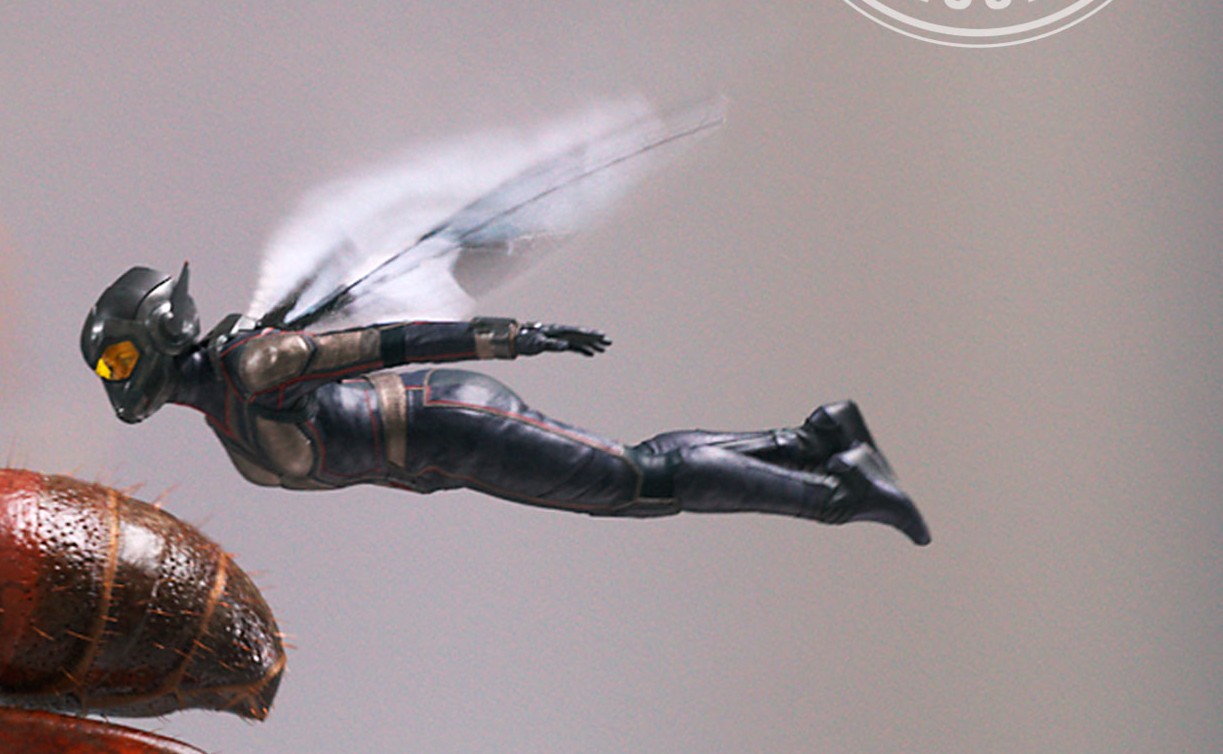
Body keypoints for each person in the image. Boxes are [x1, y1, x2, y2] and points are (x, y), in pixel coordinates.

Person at [81, 263, 929, 542]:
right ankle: (817, 439)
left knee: (638, 483)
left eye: (120, 357)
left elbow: (388, 344)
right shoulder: (234, 396)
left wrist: (514, 334)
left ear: (155, 334)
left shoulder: (253, 365)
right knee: (636, 473)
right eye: (109, 367)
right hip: (451, 448)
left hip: (458, 424)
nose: (121, 378)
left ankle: (837, 491)